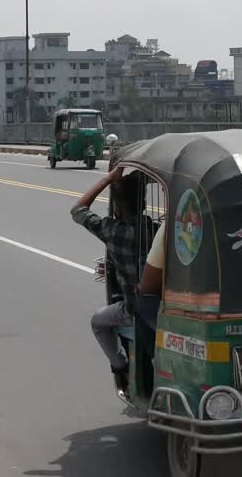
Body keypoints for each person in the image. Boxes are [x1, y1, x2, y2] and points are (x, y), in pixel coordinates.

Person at [71, 167, 152, 390]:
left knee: (98, 321)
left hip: (136, 310)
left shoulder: (114, 232)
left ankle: (121, 368)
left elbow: (78, 210)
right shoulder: (157, 230)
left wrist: (109, 178)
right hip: (165, 307)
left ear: (117, 207)